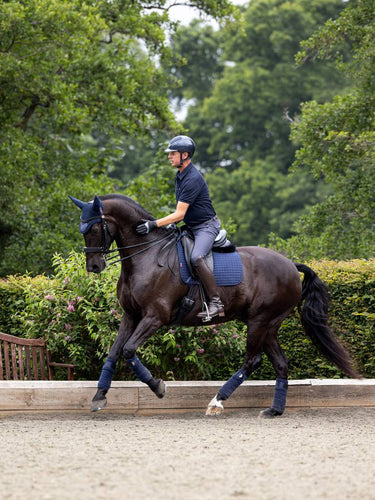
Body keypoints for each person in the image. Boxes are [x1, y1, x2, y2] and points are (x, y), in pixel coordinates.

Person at [136, 135, 224, 320]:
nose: (169, 156)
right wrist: (171, 224)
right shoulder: (180, 175)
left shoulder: (192, 178)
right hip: (191, 226)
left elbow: (180, 213)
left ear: (185, 155)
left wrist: (153, 224)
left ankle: (216, 303)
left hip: (206, 227)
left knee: (197, 257)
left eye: (173, 153)